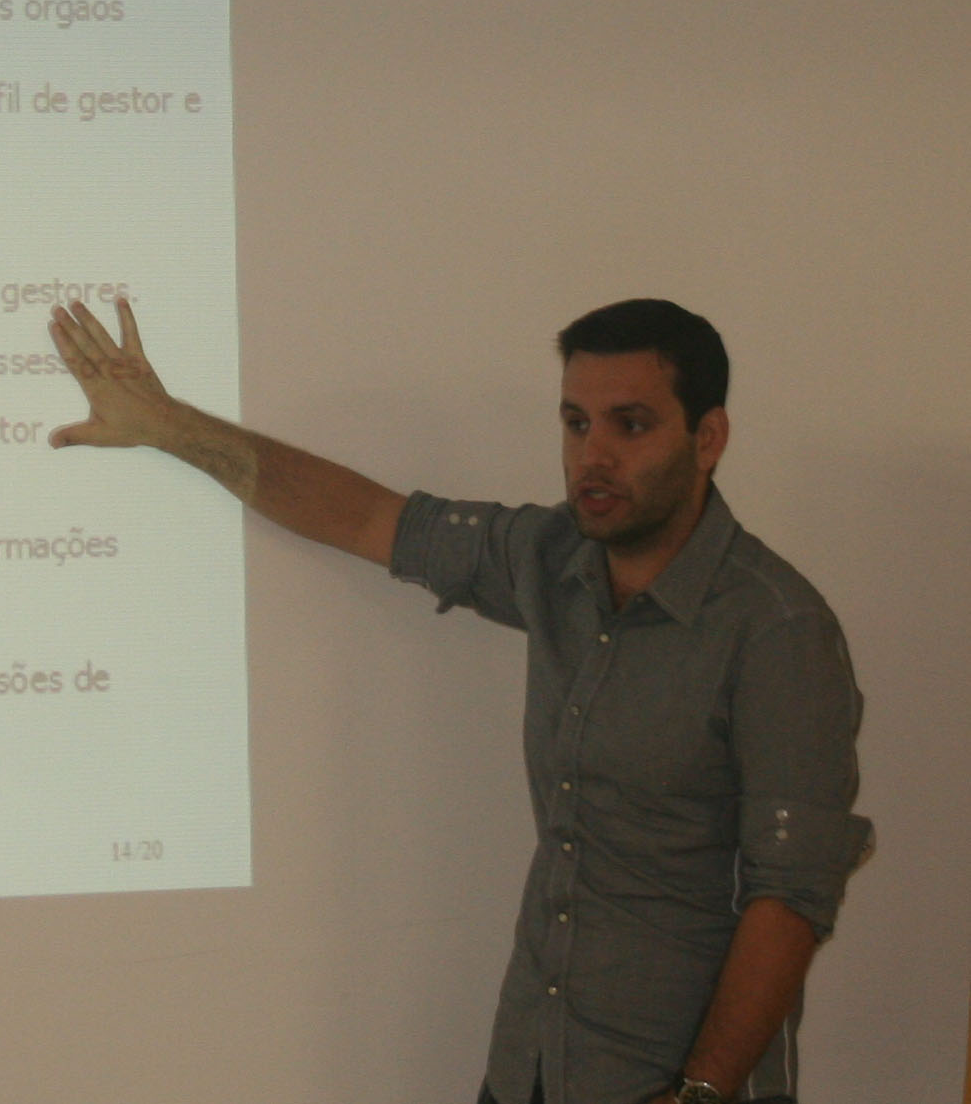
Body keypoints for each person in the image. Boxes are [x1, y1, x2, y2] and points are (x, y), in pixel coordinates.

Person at [47, 295, 870, 1104]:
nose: (592, 455)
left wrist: (698, 1093)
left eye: (630, 425)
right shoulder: (550, 560)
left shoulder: (776, 630)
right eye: (574, 423)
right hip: (531, 1066)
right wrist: (170, 427)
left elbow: (791, 896)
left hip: (672, 1080)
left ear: (708, 438)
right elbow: (368, 517)